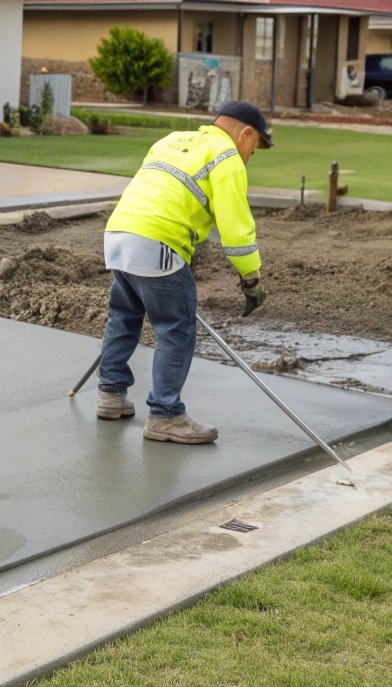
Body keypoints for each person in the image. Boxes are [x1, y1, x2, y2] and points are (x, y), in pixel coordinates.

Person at [96, 101, 271, 444]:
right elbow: (236, 231)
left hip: (119, 234)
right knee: (176, 328)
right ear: (245, 134)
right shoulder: (227, 158)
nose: (251, 154)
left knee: (124, 316)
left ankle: (110, 395)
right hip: (159, 241)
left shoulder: (172, 140)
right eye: (255, 147)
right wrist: (251, 278)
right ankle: (165, 415)